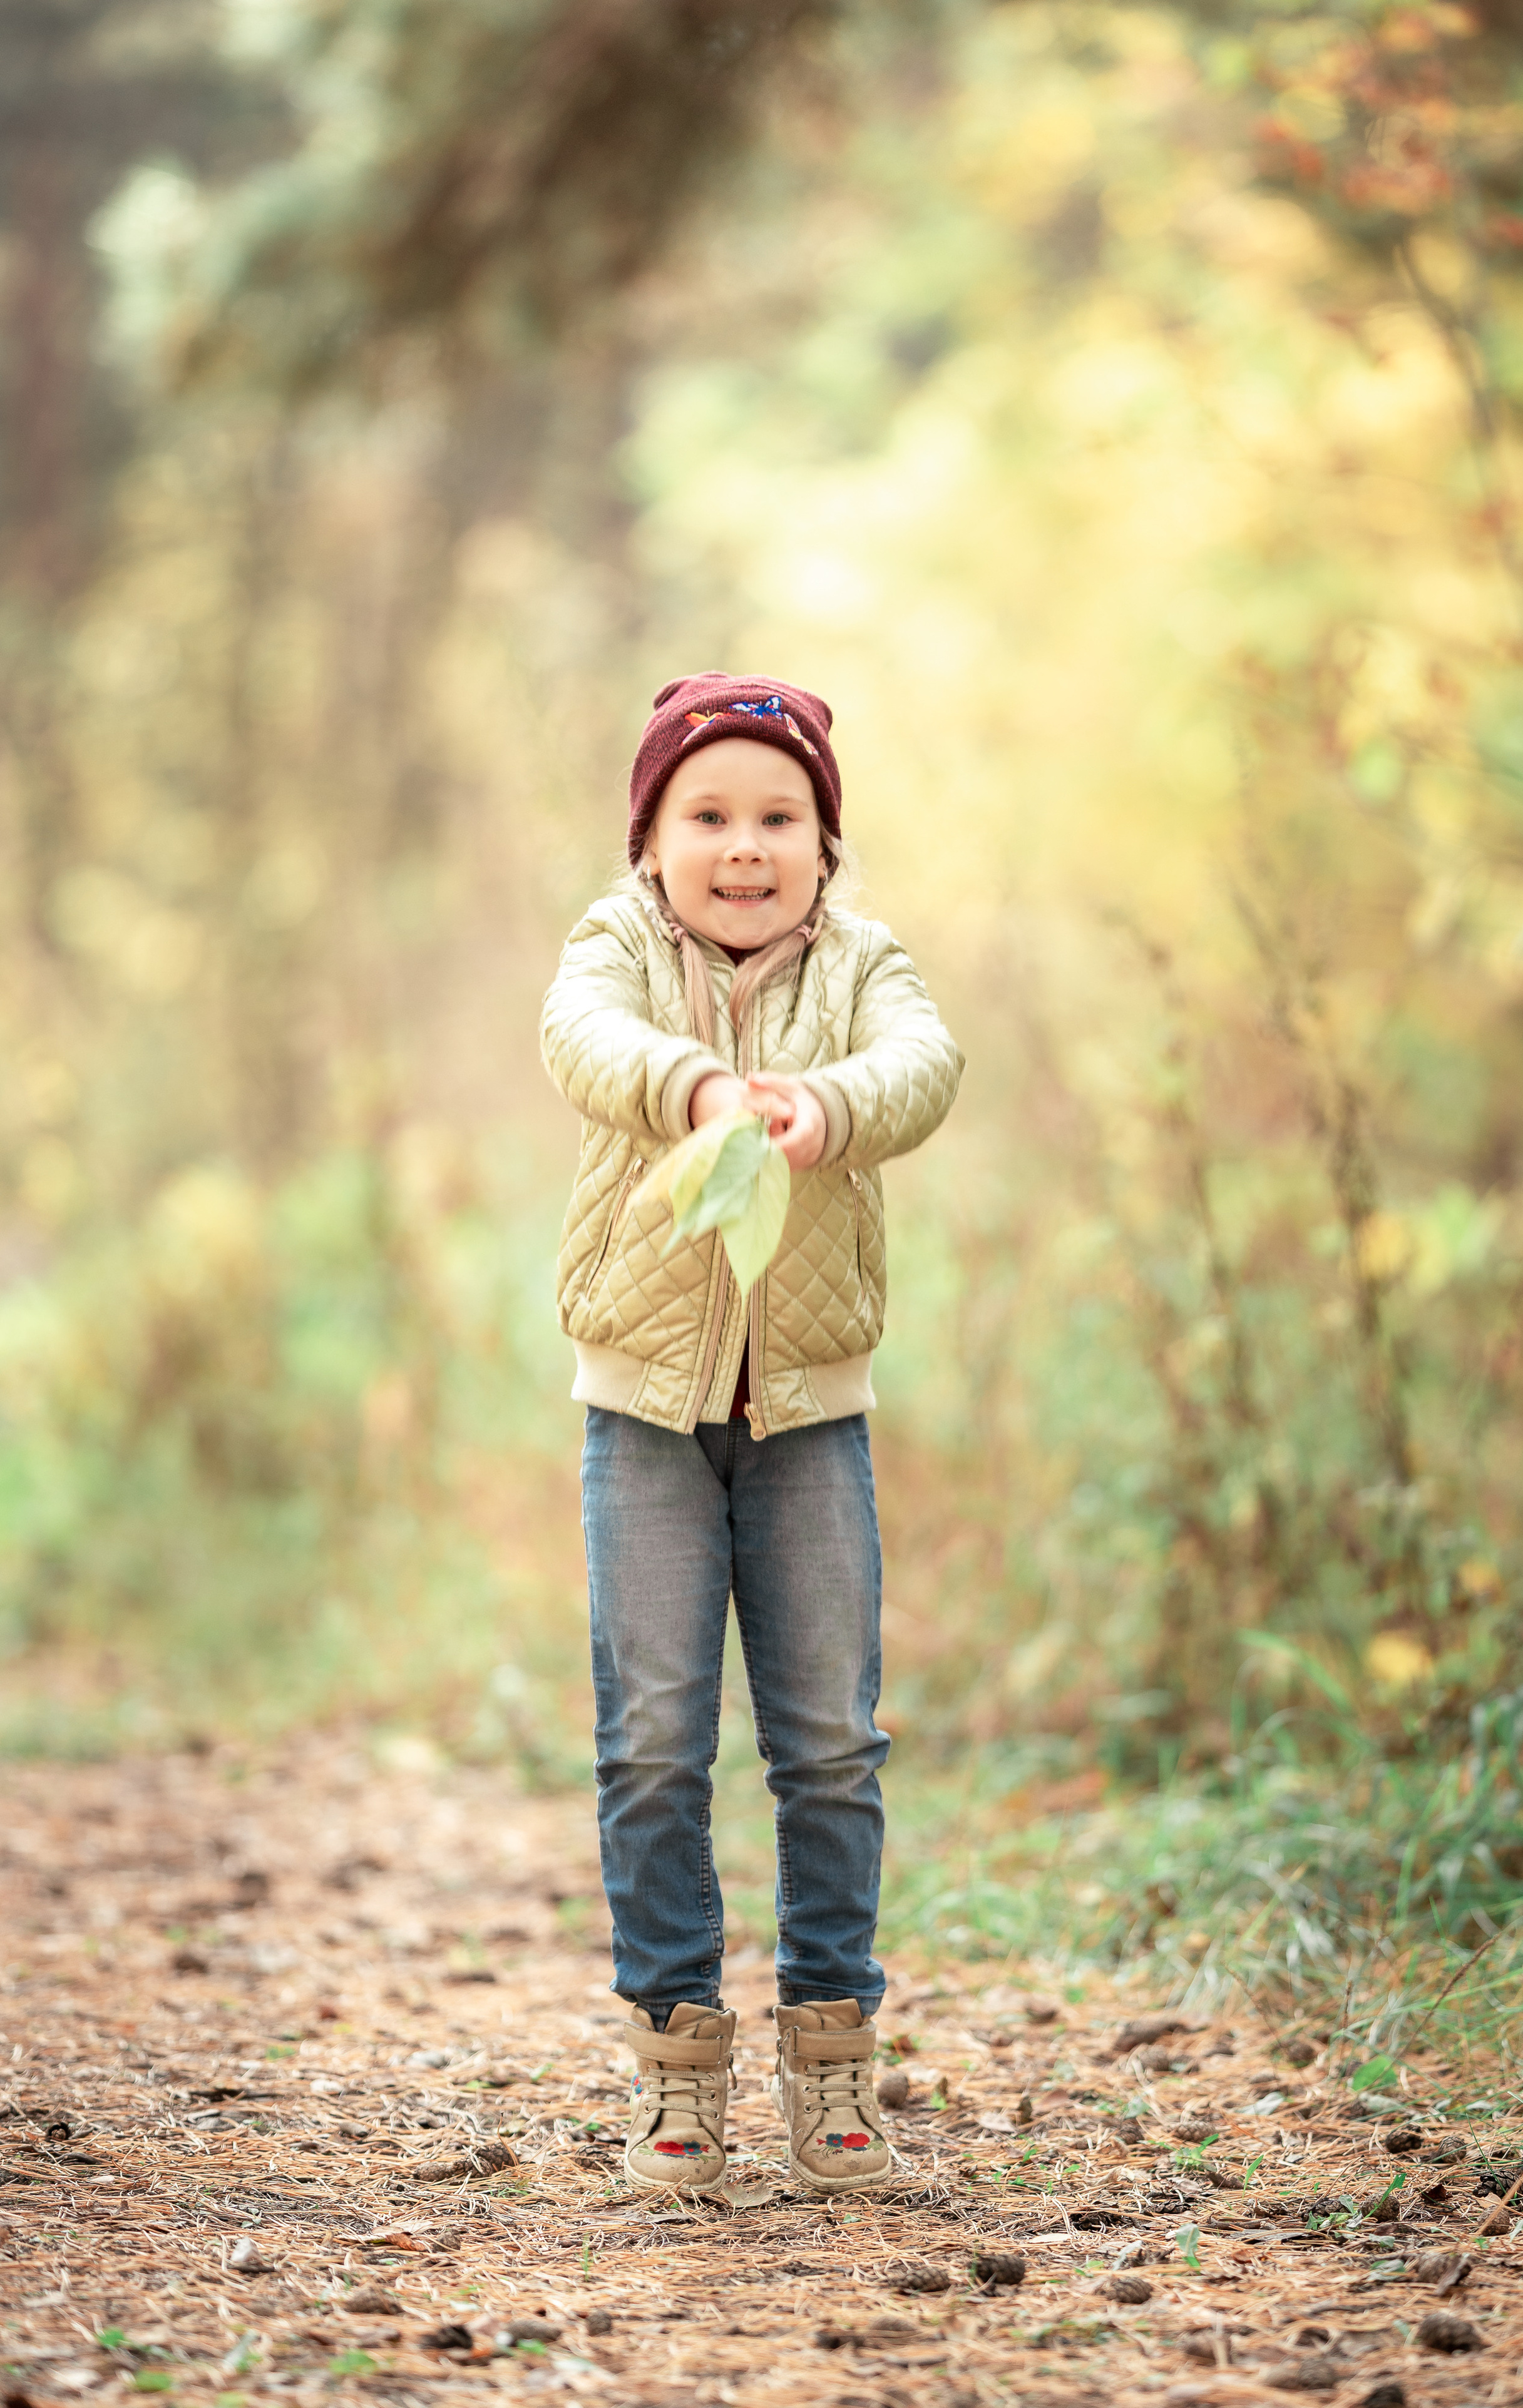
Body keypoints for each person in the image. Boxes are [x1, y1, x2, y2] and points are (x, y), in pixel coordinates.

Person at [540, 672, 963, 2195]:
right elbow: (577, 1038)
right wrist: (700, 1083)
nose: (743, 845)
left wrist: (820, 1108)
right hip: (642, 1412)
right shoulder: (615, 951)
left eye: (777, 817)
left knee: (831, 1745)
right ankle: (673, 2069)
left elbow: (923, 1067)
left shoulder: (862, 966)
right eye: (706, 815)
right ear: (648, 840)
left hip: (807, 1421)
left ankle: (834, 2070)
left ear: (823, 842)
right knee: (655, 1738)